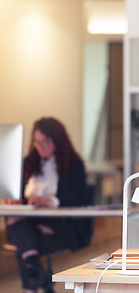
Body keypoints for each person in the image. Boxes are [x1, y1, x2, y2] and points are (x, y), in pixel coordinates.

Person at [5, 117, 93, 293]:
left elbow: (79, 197)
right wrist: (16, 200)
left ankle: (35, 278)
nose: (41, 147)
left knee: (26, 247)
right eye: (37, 143)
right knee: (15, 218)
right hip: (30, 223)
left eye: (45, 142)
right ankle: (42, 279)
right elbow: (21, 195)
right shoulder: (29, 163)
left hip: (60, 226)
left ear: (58, 141)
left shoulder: (74, 165)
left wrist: (50, 200)